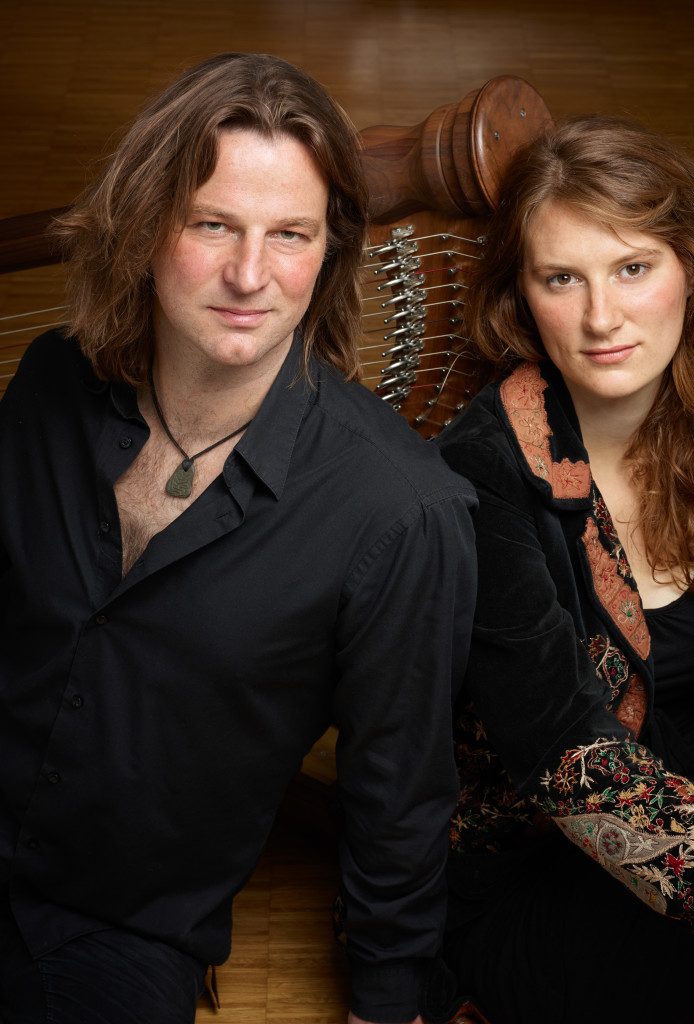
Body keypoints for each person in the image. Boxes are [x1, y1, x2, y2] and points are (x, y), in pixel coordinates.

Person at [0, 53, 479, 1024]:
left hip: (119, 928)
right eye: (212, 224)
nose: (249, 275)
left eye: (289, 234)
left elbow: (397, 790)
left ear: (328, 252)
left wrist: (387, 1000)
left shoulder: (401, 512)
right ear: (143, 226)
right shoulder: (50, 382)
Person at [435, 115, 694, 1024]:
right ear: (521, 296)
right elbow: (567, 756)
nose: (601, 318)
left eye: (632, 268)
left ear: (693, 267)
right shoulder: (481, 472)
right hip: (542, 882)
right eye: (561, 278)